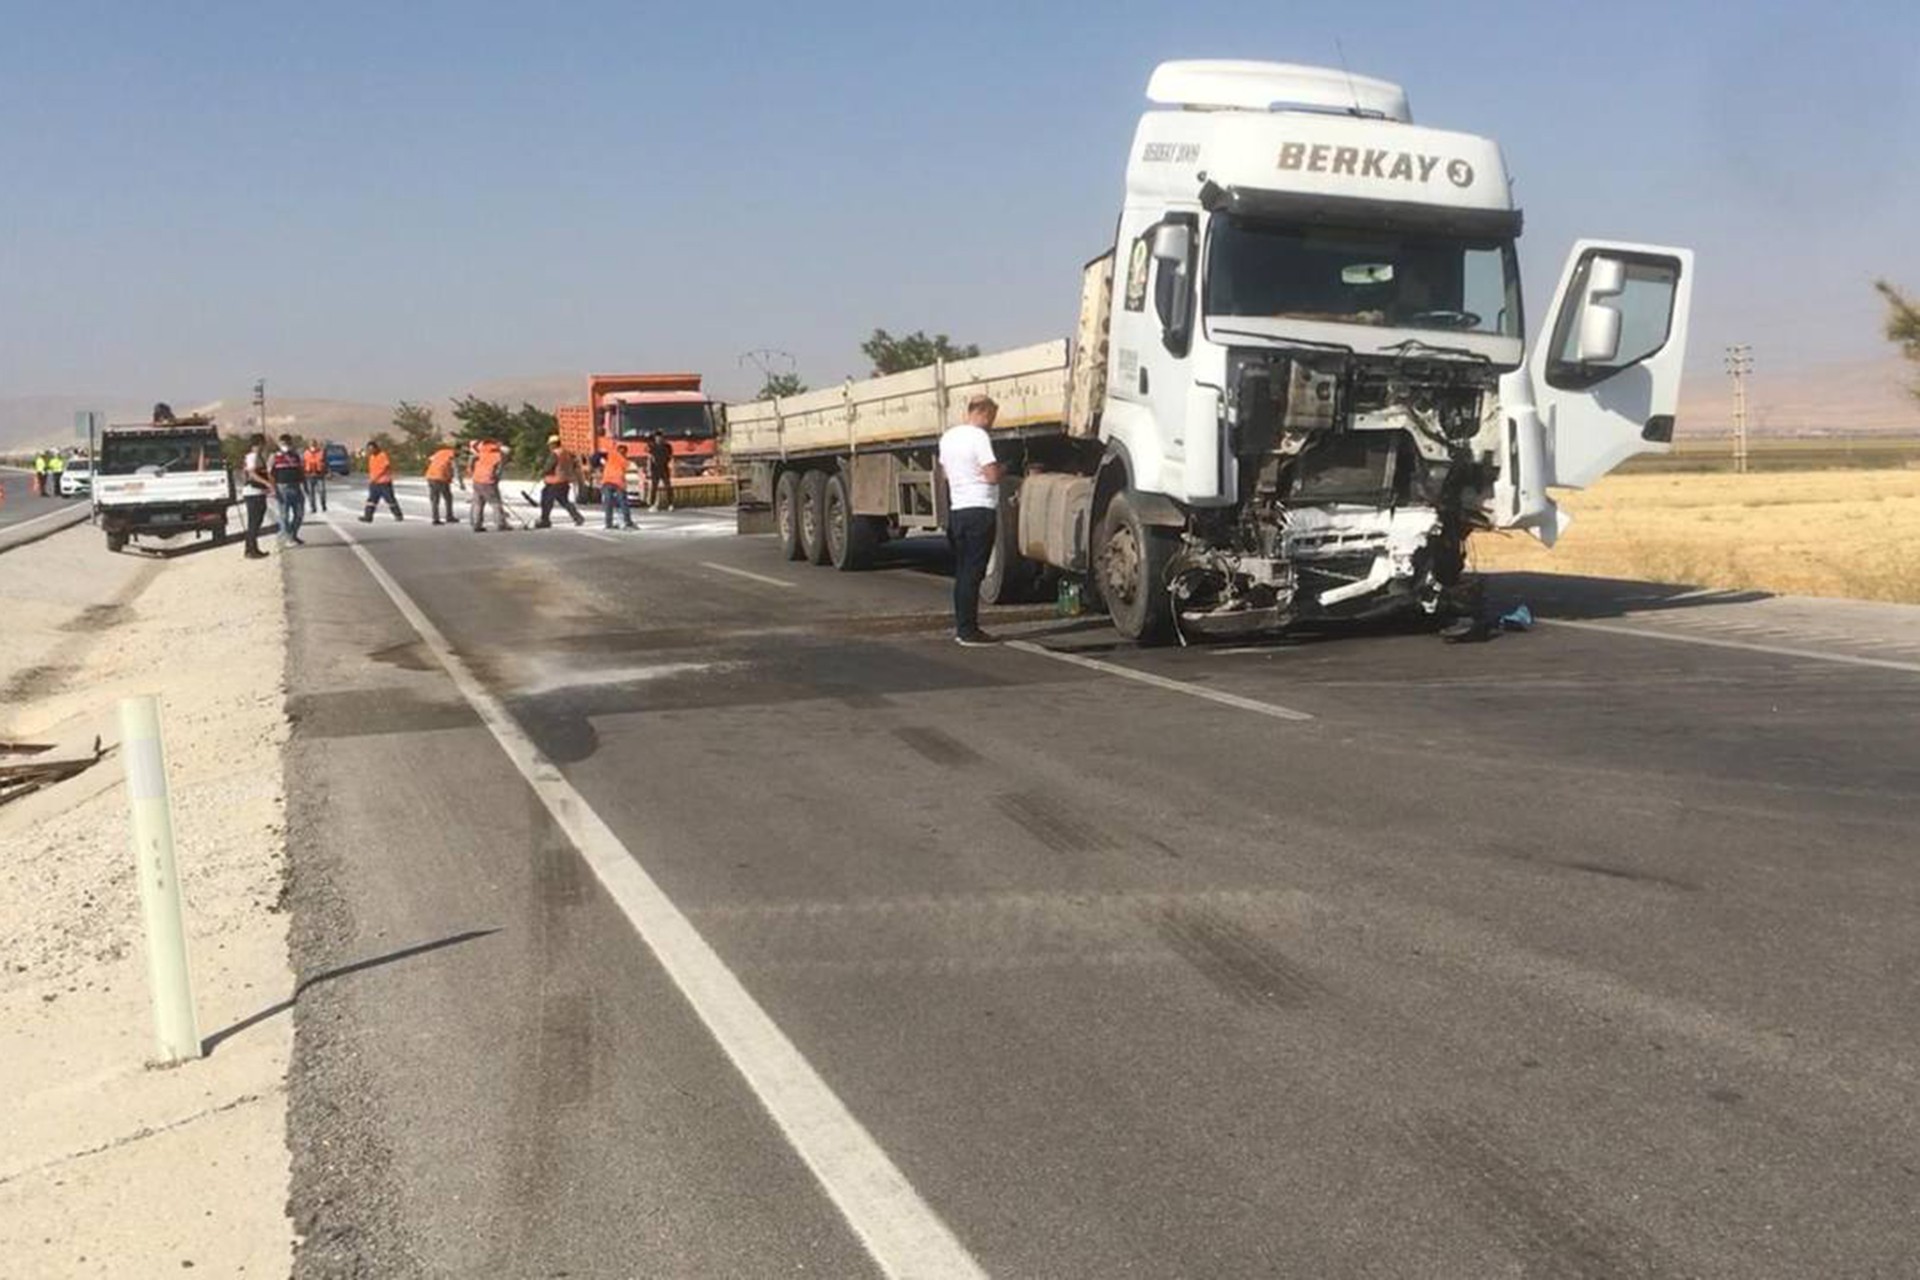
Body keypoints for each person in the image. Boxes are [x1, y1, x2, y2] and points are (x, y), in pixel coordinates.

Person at [938, 394, 1004, 646]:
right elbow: (991, 475)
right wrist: (1003, 469)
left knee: (963, 572)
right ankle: (968, 631)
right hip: (980, 509)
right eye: (992, 418)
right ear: (984, 413)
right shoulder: (979, 437)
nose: (992, 424)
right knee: (973, 573)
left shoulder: (948, 437)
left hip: (958, 511)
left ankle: (962, 626)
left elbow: (945, 474)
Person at [535, 434, 584, 528]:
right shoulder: (566, 453)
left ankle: (545, 520)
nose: (549, 447)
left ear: (553, 444)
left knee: (546, 500)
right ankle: (578, 517)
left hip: (554, 481)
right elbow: (574, 465)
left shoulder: (555, 454)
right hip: (564, 481)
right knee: (564, 501)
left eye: (550, 445)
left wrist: (542, 471)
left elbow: (549, 467)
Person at [269, 435, 306, 546]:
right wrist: (273, 489)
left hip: (296, 487)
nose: (286, 446)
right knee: (284, 515)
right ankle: (288, 538)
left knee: (299, 514)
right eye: (283, 444)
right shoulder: (274, 457)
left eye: (288, 443)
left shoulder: (295, 456)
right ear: (279, 444)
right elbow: (270, 474)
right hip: (282, 487)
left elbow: (301, 471)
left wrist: (305, 486)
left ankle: (293, 535)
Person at [240, 434, 272, 559]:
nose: (263, 446)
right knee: (254, 523)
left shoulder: (257, 457)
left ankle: (253, 548)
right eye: (263, 444)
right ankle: (251, 550)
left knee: (256, 522)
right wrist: (267, 483)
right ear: (258, 444)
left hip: (258, 492)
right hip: (253, 493)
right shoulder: (252, 457)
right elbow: (252, 474)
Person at [469, 438, 509, 531]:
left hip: (477, 480)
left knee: (478, 503)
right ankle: (501, 523)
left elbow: (472, 461)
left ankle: (476, 524)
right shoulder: (499, 455)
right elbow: (499, 470)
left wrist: (473, 473)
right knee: (496, 503)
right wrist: (496, 480)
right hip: (488, 481)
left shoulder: (481, 452)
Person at [357, 442, 404, 522]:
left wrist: (377, 476)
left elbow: (385, 467)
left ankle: (398, 515)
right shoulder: (371, 457)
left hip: (384, 483)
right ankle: (368, 517)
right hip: (374, 483)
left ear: (376, 448)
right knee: (371, 501)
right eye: (369, 449)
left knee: (390, 500)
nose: (370, 450)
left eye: (372, 449)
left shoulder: (382, 455)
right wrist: (372, 479)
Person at [424, 440, 462, 526]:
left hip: (430, 476)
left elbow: (430, 459)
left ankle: (435, 518)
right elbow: (457, 470)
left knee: (434, 498)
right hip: (441, 478)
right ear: (457, 449)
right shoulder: (452, 456)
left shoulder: (440, 452)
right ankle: (449, 516)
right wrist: (461, 484)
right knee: (448, 497)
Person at [600, 442, 637, 529]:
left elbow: (604, 451)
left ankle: (608, 524)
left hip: (607, 482)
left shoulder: (612, 454)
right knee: (623, 503)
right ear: (625, 453)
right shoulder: (625, 462)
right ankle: (628, 522)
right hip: (618, 483)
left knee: (608, 503)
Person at [646, 431, 674, 510]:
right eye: (657, 437)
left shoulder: (667, 446)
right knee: (654, 487)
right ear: (655, 438)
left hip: (664, 468)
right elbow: (649, 458)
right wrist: (648, 470)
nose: (659, 438)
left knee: (668, 486)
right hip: (655, 469)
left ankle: (670, 504)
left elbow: (671, 457)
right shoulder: (651, 446)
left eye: (660, 437)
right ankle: (652, 504)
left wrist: (671, 466)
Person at [302, 441, 328, 512]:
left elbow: (325, 463)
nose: (313, 447)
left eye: (314, 445)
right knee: (311, 493)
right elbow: (303, 464)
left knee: (322, 491)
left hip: (319, 475)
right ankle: (313, 507)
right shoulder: (305, 453)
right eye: (311, 445)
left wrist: (327, 472)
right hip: (309, 475)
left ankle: (323, 504)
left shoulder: (321, 453)